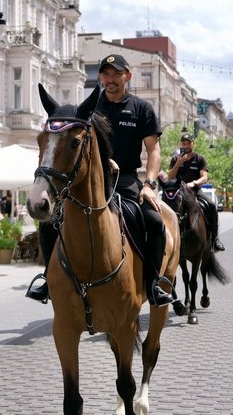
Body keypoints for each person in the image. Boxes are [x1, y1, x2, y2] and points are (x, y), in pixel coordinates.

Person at [26, 53, 174, 306]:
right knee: (50, 220)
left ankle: (152, 284)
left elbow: (154, 150)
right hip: (92, 178)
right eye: (105, 74)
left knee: (154, 222)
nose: (110, 79)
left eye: (116, 73)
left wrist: (149, 184)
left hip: (126, 179)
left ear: (128, 76)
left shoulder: (141, 109)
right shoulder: (90, 108)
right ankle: (49, 281)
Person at [167, 132, 224, 251]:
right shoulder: (175, 159)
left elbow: (205, 177)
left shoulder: (200, 159)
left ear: (193, 144)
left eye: (189, 143)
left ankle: (215, 239)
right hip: (178, 192)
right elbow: (170, 177)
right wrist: (178, 163)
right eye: (184, 143)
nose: (186, 146)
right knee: (164, 207)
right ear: (180, 144)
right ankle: (164, 238)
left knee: (212, 206)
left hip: (195, 191)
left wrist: (194, 183)